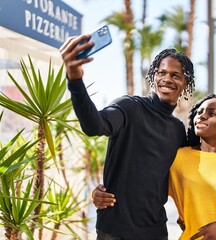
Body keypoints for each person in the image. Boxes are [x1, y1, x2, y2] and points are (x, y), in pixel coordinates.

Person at [60, 34, 195, 240]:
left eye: (175, 75)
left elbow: (181, 179)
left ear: (186, 83)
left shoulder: (178, 130)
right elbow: (94, 125)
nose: (167, 79)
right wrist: (75, 79)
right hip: (114, 231)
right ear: (154, 77)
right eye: (161, 73)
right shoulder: (130, 107)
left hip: (155, 232)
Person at [93, 94, 216, 239]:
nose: (202, 116)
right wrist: (101, 191)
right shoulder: (179, 157)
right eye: (199, 112)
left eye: (211, 113)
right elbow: (145, 185)